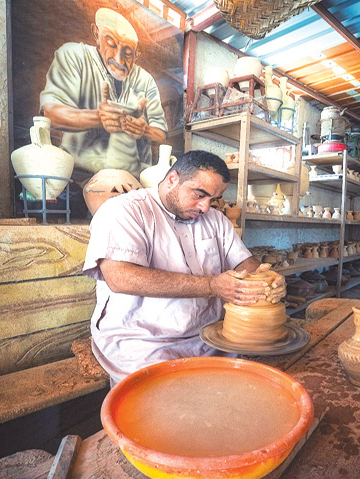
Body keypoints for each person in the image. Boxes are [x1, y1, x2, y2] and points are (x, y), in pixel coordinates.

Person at [83, 150, 286, 385]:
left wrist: (267, 278)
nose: (205, 207)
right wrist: (212, 285)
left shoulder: (216, 220)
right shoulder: (124, 210)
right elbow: (120, 277)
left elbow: (245, 264)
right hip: (142, 340)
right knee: (168, 400)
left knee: (246, 387)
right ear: (172, 180)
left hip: (209, 336)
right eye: (200, 195)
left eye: (213, 200)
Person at [40, 7, 167, 186]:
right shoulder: (73, 55)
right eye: (112, 44)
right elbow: (50, 114)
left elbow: (160, 135)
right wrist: (97, 117)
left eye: (128, 52)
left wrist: (143, 131)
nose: (119, 58)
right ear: (96, 34)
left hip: (134, 184)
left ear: (137, 55)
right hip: (78, 178)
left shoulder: (145, 80)